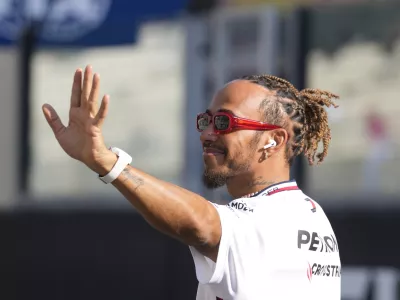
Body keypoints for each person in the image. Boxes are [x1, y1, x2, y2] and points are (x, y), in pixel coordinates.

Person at [42, 65, 341, 300]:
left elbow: (201, 224)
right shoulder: (310, 214)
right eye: (206, 120)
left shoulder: (270, 218)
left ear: (273, 140)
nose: (207, 133)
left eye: (225, 122)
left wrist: (107, 162)